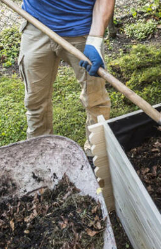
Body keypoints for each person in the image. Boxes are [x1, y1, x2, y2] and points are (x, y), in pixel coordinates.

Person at [18, 0, 114, 156]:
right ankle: (41, 152)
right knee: (35, 100)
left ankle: (96, 154)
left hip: (83, 30)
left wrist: (95, 40)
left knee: (95, 99)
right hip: (37, 24)